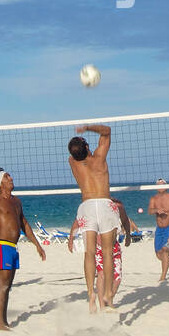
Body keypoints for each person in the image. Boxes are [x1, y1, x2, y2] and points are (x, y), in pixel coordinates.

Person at [0, 169, 45, 330]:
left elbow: (24, 224)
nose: (11, 178)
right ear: (0, 184)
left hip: (13, 247)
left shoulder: (16, 201)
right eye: (7, 176)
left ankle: (3, 321)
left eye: (9, 176)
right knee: (2, 285)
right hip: (1, 246)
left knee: (7, 286)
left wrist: (37, 245)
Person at [68, 124, 120, 312]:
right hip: (105, 205)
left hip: (87, 206)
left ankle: (91, 294)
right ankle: (107, 293)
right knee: (107, 252)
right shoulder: (99, 158)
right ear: (88, 147)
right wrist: (88, 128)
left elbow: (76, 153)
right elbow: (107, 130)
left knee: (89, 253)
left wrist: (80, 146)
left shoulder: (72, 162)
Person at [69, 198, 133, 299]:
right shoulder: (91, 207)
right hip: (98, 247)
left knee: (117, 278)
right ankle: (103, 304)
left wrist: (128, 236)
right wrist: (71, 239)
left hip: (113, 247)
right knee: (101, 275)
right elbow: (77, 223)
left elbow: (125, 221)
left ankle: (109, 297)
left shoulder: (116, 206)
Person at [148, 179, 169, 282]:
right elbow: (150, 210)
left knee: (165, 251)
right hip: (159, 229)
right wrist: (156, 210)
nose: (160, 187)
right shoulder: (154, 199)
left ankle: (163, 276)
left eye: (162, 185)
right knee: (158, 254)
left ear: (166, 186)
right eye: (158, 185)